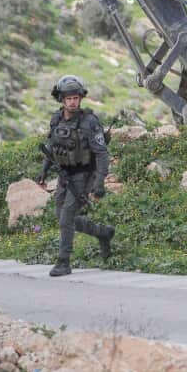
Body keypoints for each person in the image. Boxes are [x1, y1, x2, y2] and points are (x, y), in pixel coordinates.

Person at [38, 75, 113, 277]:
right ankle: (103, 233)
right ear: (61, 99)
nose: (73, 102)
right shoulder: (57, 119)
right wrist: (44, 171)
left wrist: (99, 182)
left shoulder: (90, 122)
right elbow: (52, 146)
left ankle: (63, 262)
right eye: (68, 98)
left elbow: (102, 154)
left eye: (76, 98)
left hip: (83, 176)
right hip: (64, 175)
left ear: (80, 98)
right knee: (62, 217)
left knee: (66, 218)